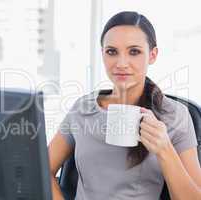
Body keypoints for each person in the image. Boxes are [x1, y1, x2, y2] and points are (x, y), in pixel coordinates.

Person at [48, 11, 201, 200]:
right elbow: (44, 171)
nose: (121, 63)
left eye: (134, 52)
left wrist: (164, 149)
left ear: (152, 55)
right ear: (102, 54)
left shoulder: (175, 115)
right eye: (112, 51)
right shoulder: (82, 109)